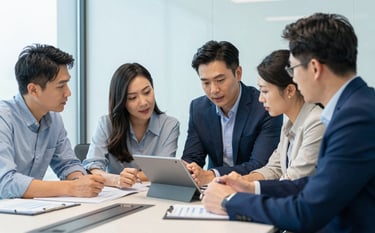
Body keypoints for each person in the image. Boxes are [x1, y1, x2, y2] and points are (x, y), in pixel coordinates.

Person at [202, 13, 375, 232]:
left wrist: (229, 202)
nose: (292, 78)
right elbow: (314, 185)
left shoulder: (355, 118)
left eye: (293, 69)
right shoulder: (355, 106)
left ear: (314, 68)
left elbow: (307, 212)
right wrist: (251, 187)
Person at [0, 44, 105, 199]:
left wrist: (80, 181)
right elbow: (5, 183)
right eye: (61, 86)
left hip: (27, 212)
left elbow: (67, 164)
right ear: (33, 90)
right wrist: (71, 187)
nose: (68, 93)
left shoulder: (53, 119)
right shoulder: (4, 118)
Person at [182, 40, 283, 186]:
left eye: (220, 80)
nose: (213, 90)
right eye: (206, 83)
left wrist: (211, 175)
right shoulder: (198, 108)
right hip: (212, 190)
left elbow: (261, 165)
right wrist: (190, 169)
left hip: (252, 189)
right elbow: (191, 158)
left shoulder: (265, 106)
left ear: (238, 73)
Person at [83, 63, 180, 189]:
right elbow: (92, 167)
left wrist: (130, 178)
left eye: (147, 92)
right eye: (132, 98)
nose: (143, 102)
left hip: (154, 198)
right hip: (116, 198)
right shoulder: (106, 124)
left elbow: (164, 172)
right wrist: (116, 179)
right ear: (121, 101)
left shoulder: (169, 125)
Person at [244, 49, 324, 182]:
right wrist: (241, 181)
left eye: (265, 91)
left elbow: (292, 180)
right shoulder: (289, 124)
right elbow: (274, 168)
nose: (260, 99)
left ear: (290, 90)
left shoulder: (316, 123)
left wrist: (248, 187)